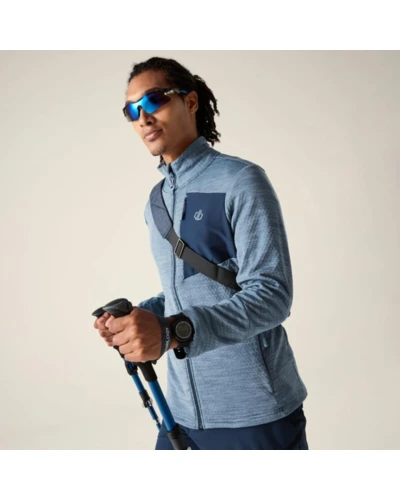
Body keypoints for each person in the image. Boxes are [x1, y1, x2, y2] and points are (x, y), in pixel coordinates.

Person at [93, 56, 309, 450]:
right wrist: (138, 319)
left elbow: (272, 295)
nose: (143, 117)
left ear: (190, 101)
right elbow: (188, 293)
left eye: (154, 100)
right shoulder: (156, 202)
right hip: (180, 414)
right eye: (131, 111)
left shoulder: (242, 181)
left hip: (255, 413)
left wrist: (171, 331)